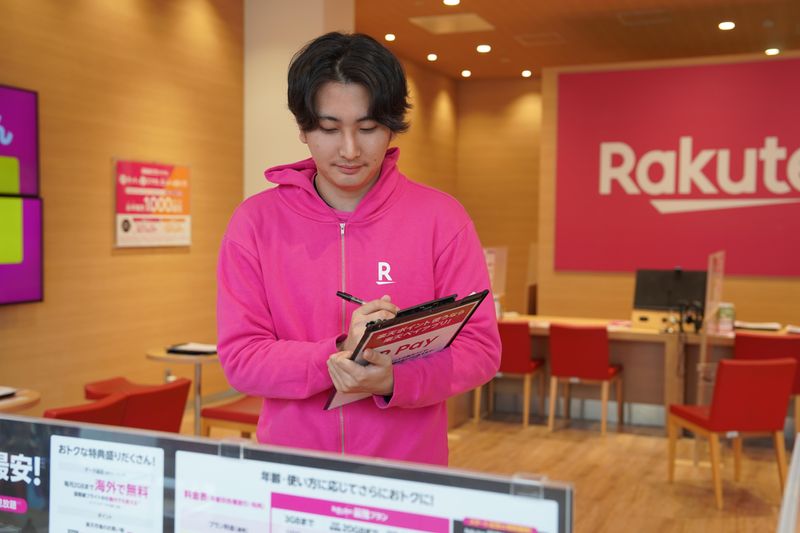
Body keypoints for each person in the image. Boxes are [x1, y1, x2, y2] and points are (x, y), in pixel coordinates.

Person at [216, 32, 500, 466]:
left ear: (391, 125)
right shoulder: (255, 223)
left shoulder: (441, 218)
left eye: (367, 129)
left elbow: (479, 349)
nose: (350, 150)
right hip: (293, 468)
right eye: (330, 129)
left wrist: (394, 380)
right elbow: (241, 359)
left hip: (409, 471)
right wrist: (335, 355)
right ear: (303, 127)